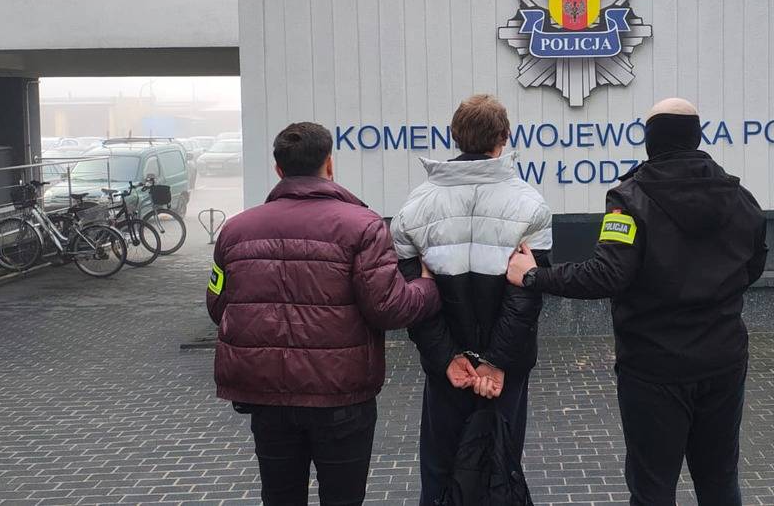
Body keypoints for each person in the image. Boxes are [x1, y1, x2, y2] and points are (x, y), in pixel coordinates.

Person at [506, 98, 769, 506]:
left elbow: (607, 274)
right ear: (695, 137)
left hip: (653, 367)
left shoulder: (628, 199)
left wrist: (534, 275)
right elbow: (753, 265)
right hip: (724, 360)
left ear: (651, 139)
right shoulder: (740, 197)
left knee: (652, 489)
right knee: (719, 482)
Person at [206, 122, 441, 506]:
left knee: (280, 498)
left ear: (279, 169)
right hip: (341, 397)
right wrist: (428, 288)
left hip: (267, 397)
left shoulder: (234, 230)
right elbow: (388, 307)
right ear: (329, 164)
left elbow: (217, 304)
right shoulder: (363, 226)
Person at [391, 94, 553, 505]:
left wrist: (446, 357)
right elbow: (526, 298)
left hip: (447, 367)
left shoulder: (414, 206)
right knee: (501, 469)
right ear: (505, 136)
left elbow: (414, 298)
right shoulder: (531, 204)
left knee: (441, 472)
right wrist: (495, 362)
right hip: (506, 370)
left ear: (455, 136)